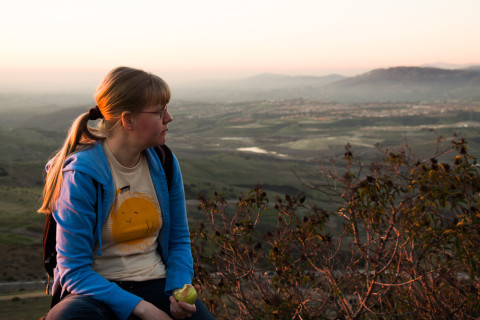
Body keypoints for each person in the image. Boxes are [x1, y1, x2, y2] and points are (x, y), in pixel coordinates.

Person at [38, 66, 215, 320]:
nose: (169, 118)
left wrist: (178, 291)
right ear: (128, 119)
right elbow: (73, 270)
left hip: (157, 284)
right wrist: (143, 309)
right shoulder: (82, 174)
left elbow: (178, 240)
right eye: (159, 111)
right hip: (95, 293)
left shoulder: (164, 162)